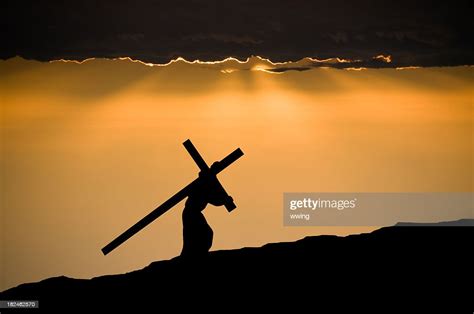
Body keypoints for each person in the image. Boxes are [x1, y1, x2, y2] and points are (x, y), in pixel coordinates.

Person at [180, 163, 233, 258]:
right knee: (196, 234)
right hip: (191, 213)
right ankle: (193, 254)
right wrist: (225, 200)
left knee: (204, 233)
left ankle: (198, 252)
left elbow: (214, 199)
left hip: (194, 213)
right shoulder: (202, 184)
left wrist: (225, 200)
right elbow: (213, 199)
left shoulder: (206, 184)